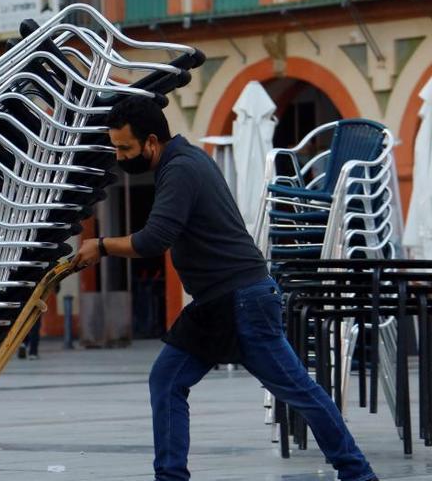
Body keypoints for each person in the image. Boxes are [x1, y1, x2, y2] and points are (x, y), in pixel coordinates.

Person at [72, 96, 378, 481]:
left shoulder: (181, 168)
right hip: (218, 302)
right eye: (115, 148)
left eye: (125, 148)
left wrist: (100, 246)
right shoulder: (185, 161)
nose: (119, 156)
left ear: (151, 142)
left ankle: (359, 474)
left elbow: (154, 240)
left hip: (242, 300)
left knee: (299, 391)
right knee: (167, 380)